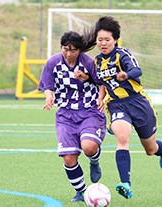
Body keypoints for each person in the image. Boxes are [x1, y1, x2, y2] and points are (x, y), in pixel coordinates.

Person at [84, 16, 162, 199]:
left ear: (115, 39)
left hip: (138, 103)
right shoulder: (97, 61)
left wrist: (126, 74)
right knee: (122, 137)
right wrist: (100, 96)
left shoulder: (123, 54)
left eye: (107, 39)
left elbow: (137, 71)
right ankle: (126, 184)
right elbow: (101, 82)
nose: (103, 43)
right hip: (116, 105)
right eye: (100, 40)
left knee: (150, 149)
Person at [38, 31, 107, 202]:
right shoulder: (53, 62)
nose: (69, 54)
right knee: (68, 157)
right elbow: (47, 85)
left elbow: (101, 83)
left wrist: (96, 91)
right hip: (65, 114)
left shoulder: (89, 62)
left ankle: (94, 161)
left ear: (79, 50)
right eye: (65, 49)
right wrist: (49, 97)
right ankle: (82, 192)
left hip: (90, 109)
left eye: (73, 50)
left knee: (89, 147)